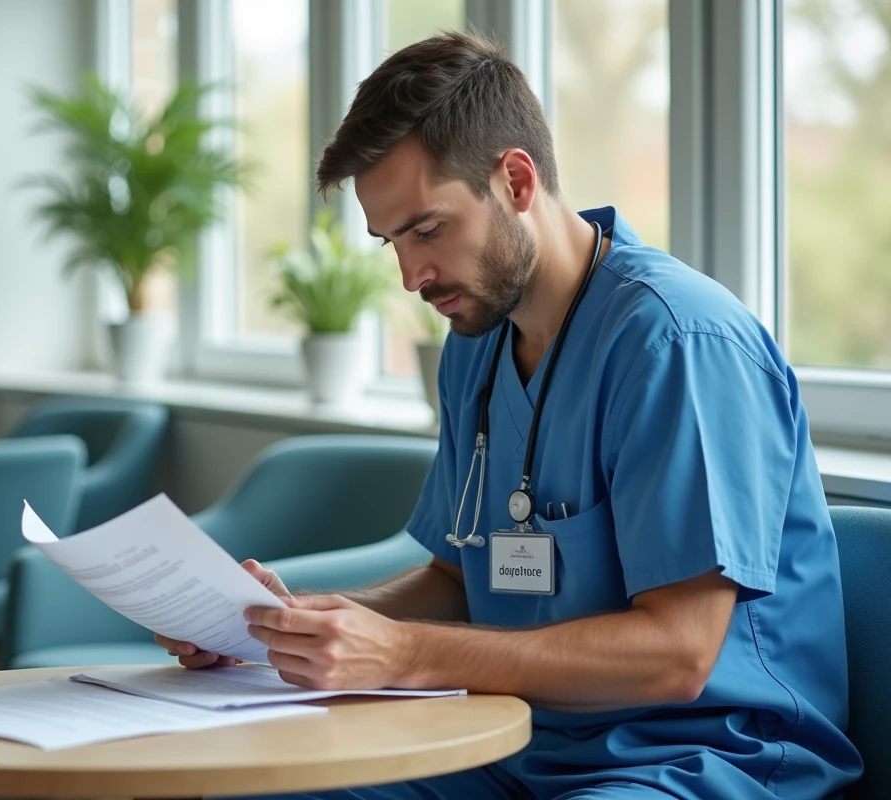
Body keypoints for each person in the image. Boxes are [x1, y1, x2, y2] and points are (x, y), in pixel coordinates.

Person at [155, 31, 862, 800]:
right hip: (516, 741)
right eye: (391, 241)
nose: (410, 274)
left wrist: (401, 656)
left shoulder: (676, 342)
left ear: (517, 180)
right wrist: (285, 627)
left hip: (703, 758)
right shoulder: (476, 343)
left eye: (427, 229)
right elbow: (461, 581)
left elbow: (677, 656)